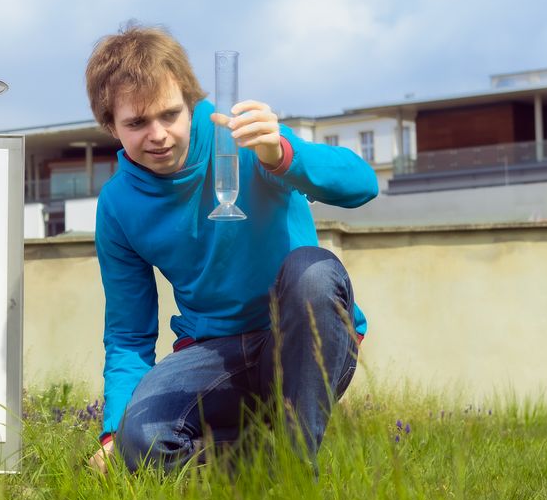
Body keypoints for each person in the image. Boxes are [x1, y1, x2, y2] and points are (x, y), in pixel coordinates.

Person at [84, 24, 379, 473]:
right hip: (212, 353)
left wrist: (281, 154)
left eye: (169, 114)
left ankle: (295, 479)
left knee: (314, 272)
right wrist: (112, 433)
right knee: (140, 441)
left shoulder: (246, 141)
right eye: (137, 123)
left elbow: (362, 184)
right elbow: (129, 334)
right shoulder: (118, 205)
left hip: (302, 336)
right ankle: (271, 460)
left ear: (191, 102)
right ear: (110, 126)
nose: (158, 134)